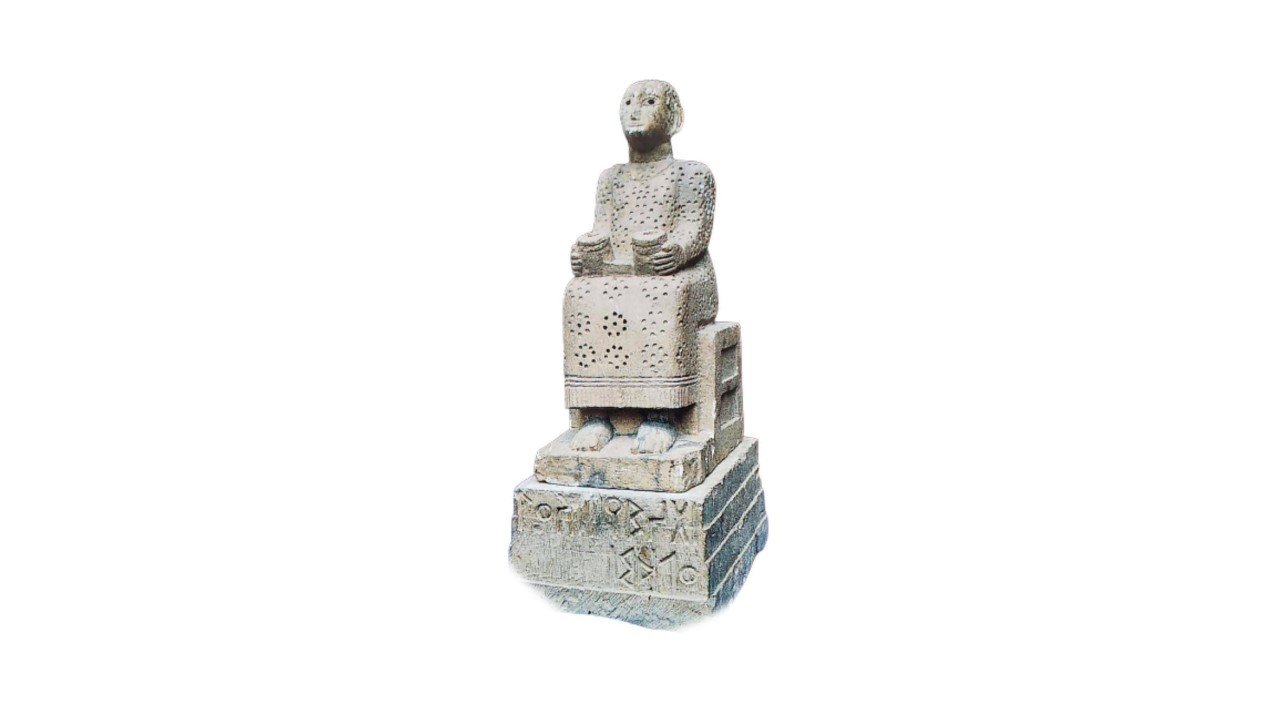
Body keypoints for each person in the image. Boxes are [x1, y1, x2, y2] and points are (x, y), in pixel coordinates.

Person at [564, 80, 719, 454]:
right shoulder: (611, 178)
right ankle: (598, 413)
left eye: (649, 102)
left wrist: (676, 252)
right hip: (622, 272)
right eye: (628, 102)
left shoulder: (692, 174)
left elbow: (694, 230)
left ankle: (661, 414)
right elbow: (602, 228)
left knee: (663, 293)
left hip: (680, 274)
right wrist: (585, 252)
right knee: (579, 292)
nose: (634, 110)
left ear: (674, 117)